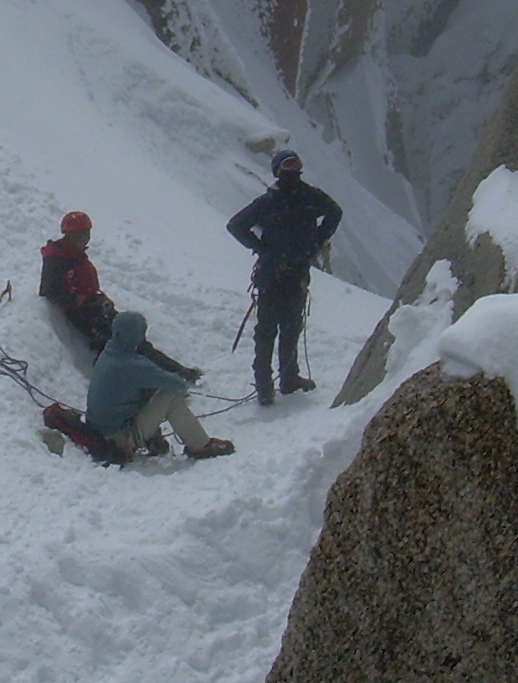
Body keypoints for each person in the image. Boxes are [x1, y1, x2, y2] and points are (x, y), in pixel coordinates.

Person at [226, 150, 342, 405]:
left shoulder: (269, 202)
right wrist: (317, 241)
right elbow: (335, 212)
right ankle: (288, 379)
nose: (292, 169)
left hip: (272, 272)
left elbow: (236, 225)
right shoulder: (309, 196)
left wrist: (263, 250)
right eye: (290, 165)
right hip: (295, 272)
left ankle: (266, 387)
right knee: (288, 327)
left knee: (269, 330)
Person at [40, 211, 200, 380]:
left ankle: (175, 373)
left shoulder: (71, 253)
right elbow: (48, 291)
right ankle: (161, 379)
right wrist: (75, 300)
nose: (84, 240)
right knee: (120, 347)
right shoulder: (58, 259)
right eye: (79, 236)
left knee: (135, 340)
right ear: (69, 235)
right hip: (85, 315)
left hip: (95, 307)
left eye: (86, 235)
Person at [86, 310, 234, 460]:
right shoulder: (133, 364)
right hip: (118, 437)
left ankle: (152, 438)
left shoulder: (107, 354)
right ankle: (200, 445)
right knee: (171, 396)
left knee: (144, 393)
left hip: (98, 430)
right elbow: (177, 384)